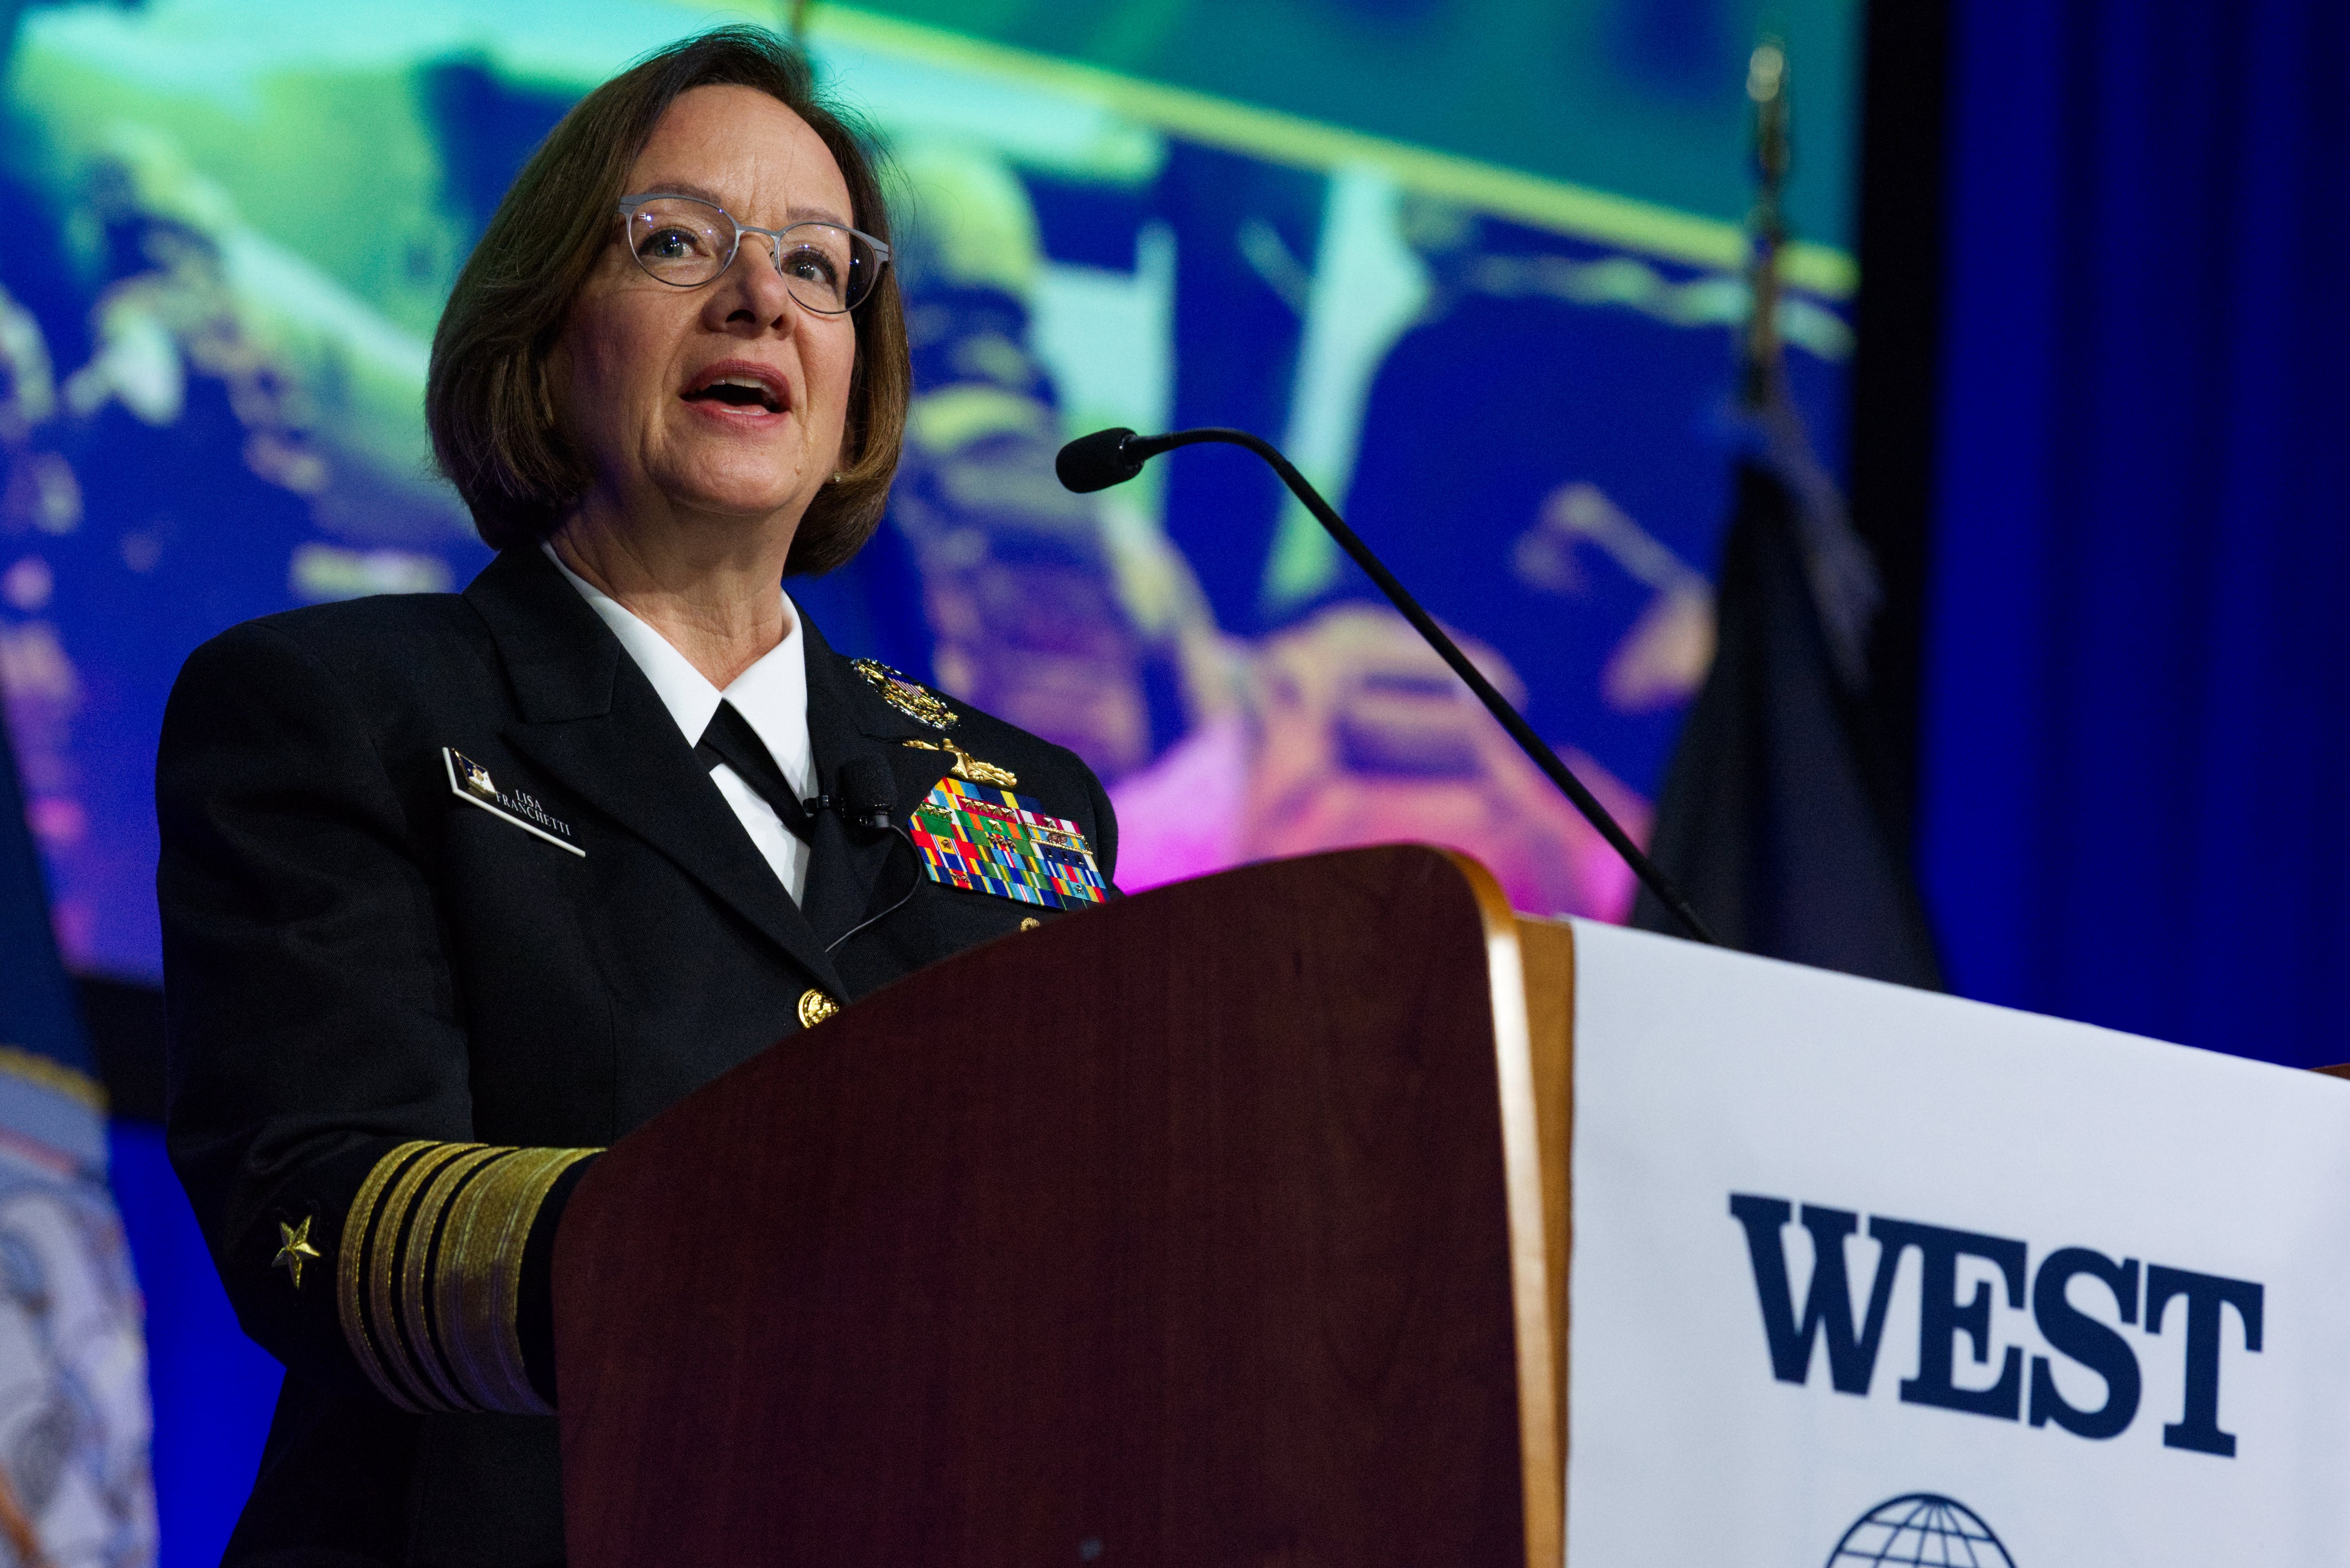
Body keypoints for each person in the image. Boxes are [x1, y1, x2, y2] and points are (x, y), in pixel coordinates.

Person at [155, 28, 1117, 1566]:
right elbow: (328, 1216)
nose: (761, 300)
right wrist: (800, 1257)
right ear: (543, 328)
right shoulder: (344, 708)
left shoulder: (1025, 798)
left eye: (817, 265)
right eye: (677, 244)